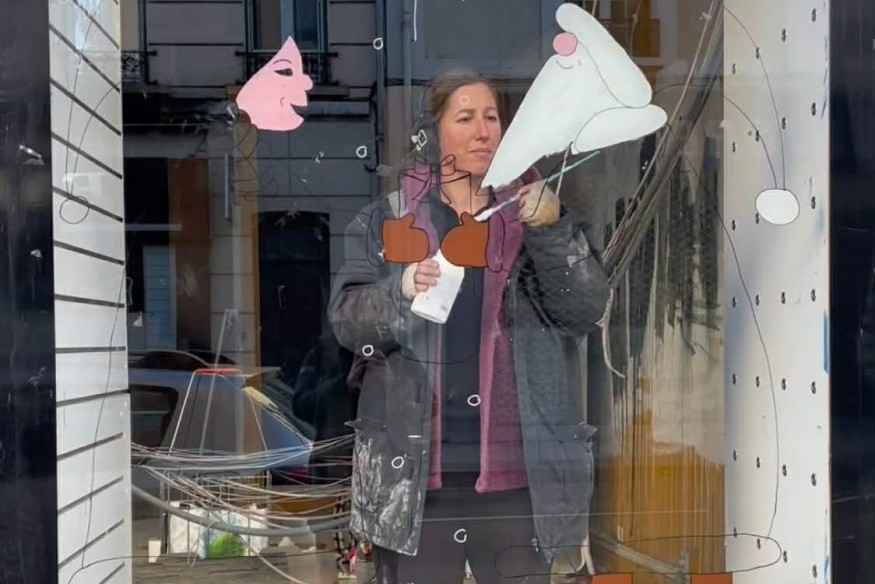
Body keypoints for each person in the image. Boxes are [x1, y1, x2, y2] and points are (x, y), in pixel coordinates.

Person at [327, 70, 609, 584]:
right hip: (414, 480)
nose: (484, 131)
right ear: (434, 135)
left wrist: (552, 231)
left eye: (492, 117)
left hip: (517, 476)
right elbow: (348, 324)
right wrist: (400, 290)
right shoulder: (389, 221)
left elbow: (584, 310)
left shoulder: (536, 214)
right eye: (465, 118)